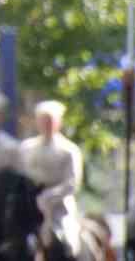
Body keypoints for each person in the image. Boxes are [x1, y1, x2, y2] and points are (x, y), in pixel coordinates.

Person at [20, 99, 84, 255]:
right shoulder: (26, 148)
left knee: (69, 245)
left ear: (58, 123)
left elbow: (72, 183)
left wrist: (48, 197)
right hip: (30, 207)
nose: (46, 124)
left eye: (50, 121)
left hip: (58, 208)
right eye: (43, 120)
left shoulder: (69, 150)